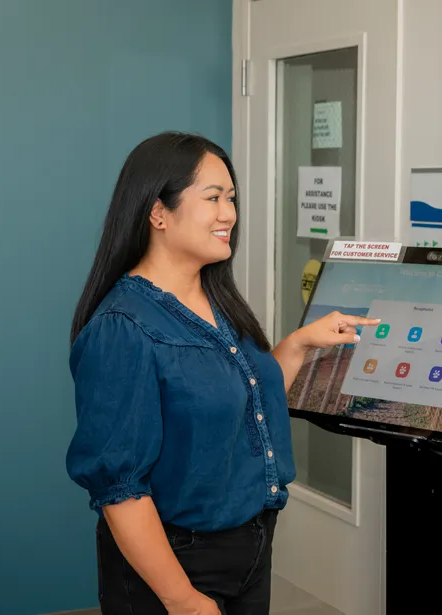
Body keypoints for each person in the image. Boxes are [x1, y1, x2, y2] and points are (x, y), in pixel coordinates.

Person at [66, 131, 378, 615]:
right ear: (158, 212)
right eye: (212, 198)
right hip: (176, 565)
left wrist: (298, 345)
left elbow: (243, 402)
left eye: (231, 198)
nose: (229, 214)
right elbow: (119, 489)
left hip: (250, 548)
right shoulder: (122, 327)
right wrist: (185, 601)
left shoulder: (217, 300)